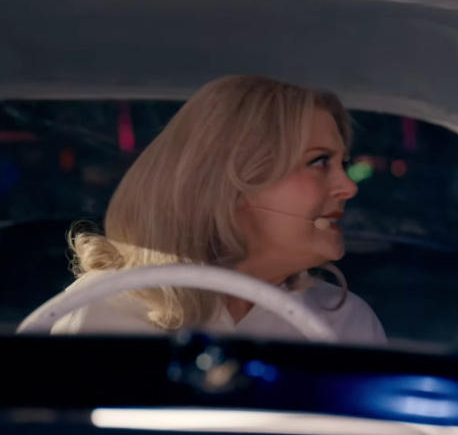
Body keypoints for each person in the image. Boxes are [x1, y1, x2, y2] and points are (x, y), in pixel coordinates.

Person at [51, 75, 386, 345]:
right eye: (320, 162)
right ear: (231, 181)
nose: (349, 186)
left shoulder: (348, 323)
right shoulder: (99, 312)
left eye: (342, 163)